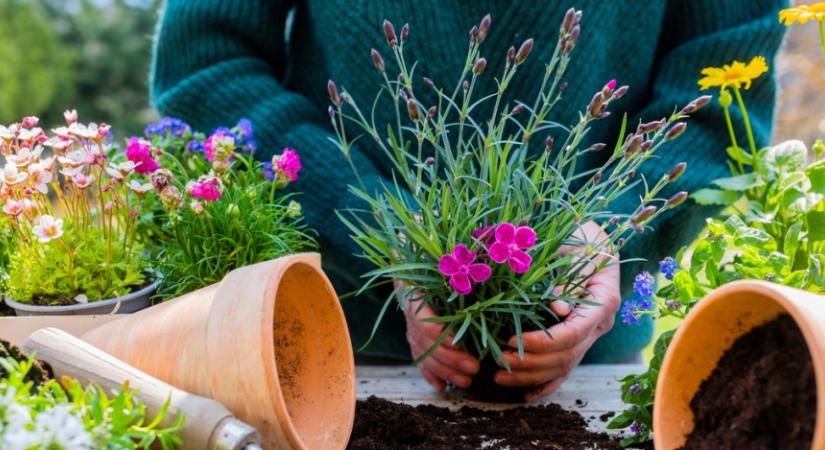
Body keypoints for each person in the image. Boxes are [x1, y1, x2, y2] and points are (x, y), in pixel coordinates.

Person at [151, 1, 788, 398]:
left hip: (588, 358)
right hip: (327, 350)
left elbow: (718, 98)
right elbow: (207, 68)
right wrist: (386, 232)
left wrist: (609, 229)